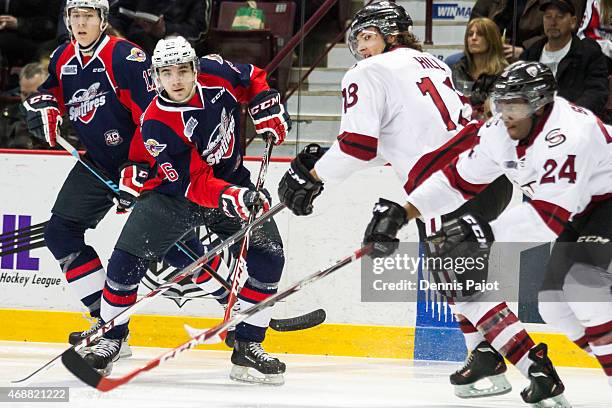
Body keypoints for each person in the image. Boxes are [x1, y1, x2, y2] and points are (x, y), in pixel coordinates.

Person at [277, 1, 558, 404]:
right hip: (487, 177)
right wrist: (321, 165)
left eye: (368, 36)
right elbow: (390, 142)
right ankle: (484, 358)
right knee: (455, 281)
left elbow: (357, 146)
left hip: (446, 188)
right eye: (356, 42)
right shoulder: (434, 64)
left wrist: (312, 178)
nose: (361, 48)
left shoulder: (365, 72)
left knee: (465, 289)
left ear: (392, 34)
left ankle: (537, 369)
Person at [366, 61, 612, 393]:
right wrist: (405, 211)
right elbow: (457, 180)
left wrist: (483, 231)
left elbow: (545, 219)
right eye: (502, 104)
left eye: (516, 105)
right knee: (553, 306)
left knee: (583, 287)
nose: (506, 113)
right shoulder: (500, 131)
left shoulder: (568, 135)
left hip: (602, 202)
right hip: (580, 209)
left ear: (540, 105)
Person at [80, 36, 291, 384]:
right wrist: (233, 197)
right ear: (156, 77)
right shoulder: (157, 124)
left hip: (232, 184)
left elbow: (253, 76)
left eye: (182, 70)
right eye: (166, 73)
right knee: (125, 263)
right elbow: (193, 184)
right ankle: (111, 339)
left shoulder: (216, 71)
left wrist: (265, 103)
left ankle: (248, 344)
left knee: (270, 255)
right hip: (175, 196)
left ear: (195, 68)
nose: (175, 80)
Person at [22, 0, 157, 356]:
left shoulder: (126, 57)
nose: (81, 23)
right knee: (59, 233)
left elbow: (156, 117)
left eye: (89, 16)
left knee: (176, 251)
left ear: (103, 20)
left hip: (147, 161)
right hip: (97, 163)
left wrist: (140, 166)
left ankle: (238, 316)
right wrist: (44, 106)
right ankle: (110, 325)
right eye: (75, 16)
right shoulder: (63, 57)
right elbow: (51, 92)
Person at [520, 0, 609, 119]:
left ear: (573, 22)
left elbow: (596, 93)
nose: (552, 22)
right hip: (535, 123)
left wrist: (568, 116)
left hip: (574, 123)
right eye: (548, 16)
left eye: (559, 17)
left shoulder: (588, 52)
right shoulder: (530, 54)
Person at [451, 17, 508, 120]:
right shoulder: (459, 67)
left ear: (492, 39)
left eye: (480, 34)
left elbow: (494, 106)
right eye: (470, 34)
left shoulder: (504, 72)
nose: (473, 38)